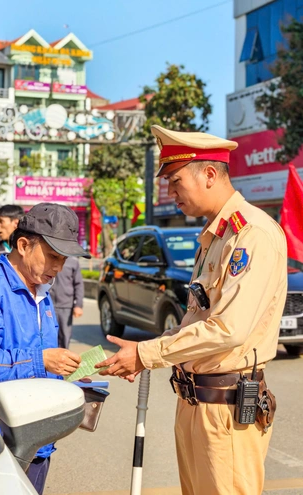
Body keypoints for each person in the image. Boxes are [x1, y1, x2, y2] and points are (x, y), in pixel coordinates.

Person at [96, 125, 287, 495]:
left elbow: (229, 329)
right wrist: (144, 350)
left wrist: (148, 354)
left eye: (175, 181)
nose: (171, 192)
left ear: (209, 174)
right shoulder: (215, 236)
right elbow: (196, 320)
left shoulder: (251, 234)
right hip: (195, 402)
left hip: (226, 408)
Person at [0, 203, 91, 494]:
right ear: (24, 245)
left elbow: (39, 360)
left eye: (64, 259)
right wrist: (41, 361)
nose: (58, 267)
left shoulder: (42, 290)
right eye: (53, 256)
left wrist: (66, 375)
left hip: (38, 437)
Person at [50, 256, 84, 349]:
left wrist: (78, 305)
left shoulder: (73, 261)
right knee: (48, 336)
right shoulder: (49, 256)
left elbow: (78, 284)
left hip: (65, 305)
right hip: (47, 304)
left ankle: (63, 357)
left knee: (64, 337)